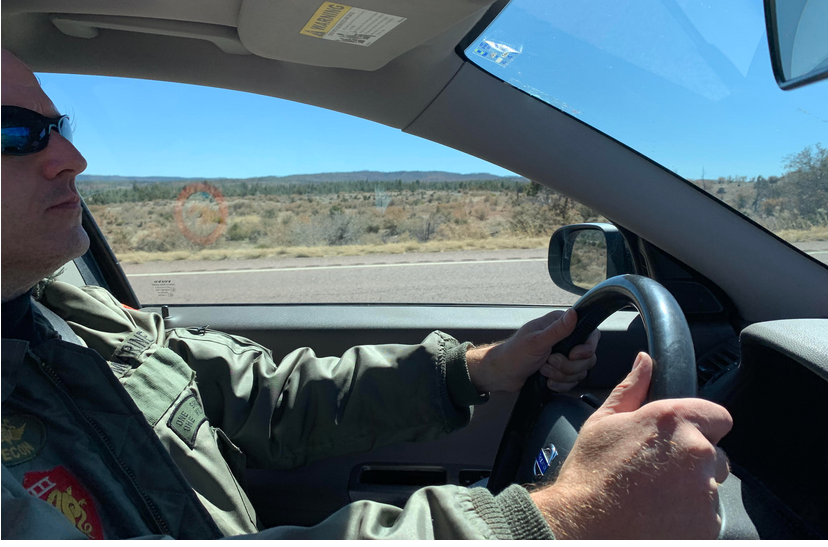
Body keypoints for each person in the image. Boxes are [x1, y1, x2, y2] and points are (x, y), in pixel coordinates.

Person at [1, 49, 732, 539]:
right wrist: (564, 515)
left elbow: (264, 399)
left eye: (59, 126)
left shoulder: (58, 308)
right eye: (17, 134)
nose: (72, 157)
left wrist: (479, 367)